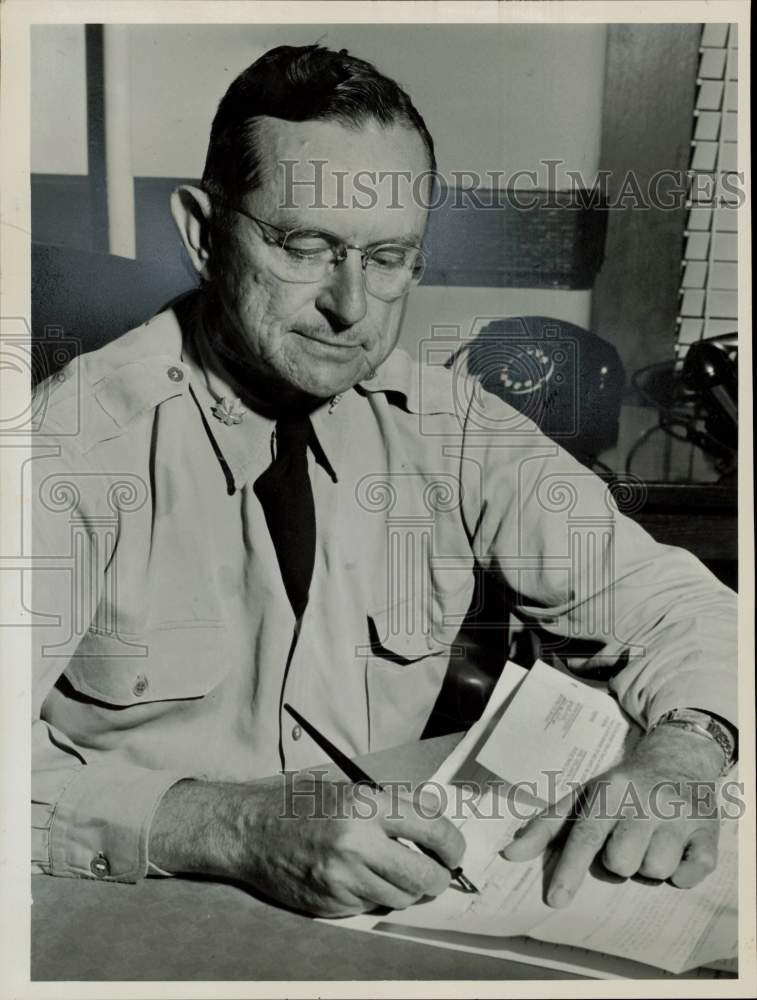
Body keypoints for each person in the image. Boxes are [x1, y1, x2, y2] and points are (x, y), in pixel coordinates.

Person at [32, 44, 737, 919]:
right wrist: (229, 827)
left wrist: (686, 748)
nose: (351, 306)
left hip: (399, 919)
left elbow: (675, 604)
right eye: (306, 246)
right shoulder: (62, 451)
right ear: (203, 231)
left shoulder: (451, 425)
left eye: (389, 256)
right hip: (133, 916)